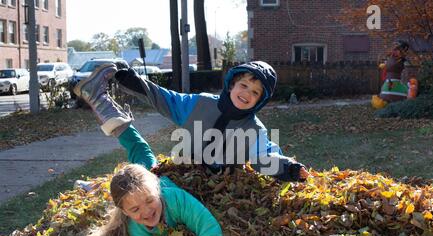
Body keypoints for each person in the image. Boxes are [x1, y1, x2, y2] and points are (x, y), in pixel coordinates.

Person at [79, 71, 224, 236]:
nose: (146, 212)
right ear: (125, 212)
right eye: (135, 210)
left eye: (148, 201)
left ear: (157, 187)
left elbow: (212, 234)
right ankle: (98, 100)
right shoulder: (138, 227)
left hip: (149, 175)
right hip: (139, 181)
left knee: (142, 153)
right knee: (138, 152)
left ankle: (98, 99)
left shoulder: (175, 198)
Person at [74, 61, 310, 182]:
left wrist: (289, 168)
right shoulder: (200, 104)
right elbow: (164, 99)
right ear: (231, 85)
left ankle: (106, 110)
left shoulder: (254, 130)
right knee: (146, 167)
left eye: (256, 92)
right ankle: (102, 104)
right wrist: (127, 78)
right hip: (184, 171)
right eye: (244, 85)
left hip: (219, 186)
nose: (247, 93)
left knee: (154, 180)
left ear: (260, 101)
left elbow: (264, 158)